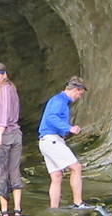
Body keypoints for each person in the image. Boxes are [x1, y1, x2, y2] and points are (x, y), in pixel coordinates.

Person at [37, 76, 88, 208]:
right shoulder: (59, 101)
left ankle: (54, 208)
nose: (79, 97)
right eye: (80, 94)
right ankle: (78, 202)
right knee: (76, 168)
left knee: (57, 176)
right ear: (76, 90)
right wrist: (69, 128)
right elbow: (51, 118)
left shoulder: (59, 101)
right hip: (52, 140)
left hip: (45, 141)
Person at [0, 62, 23, 216]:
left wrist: (0, 134)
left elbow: (4, 114)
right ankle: (17, 210)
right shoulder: (12, 90)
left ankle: (4, 211)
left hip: (4, 135)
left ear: (4, 75)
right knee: (14, 171)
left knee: (1, 172)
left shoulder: (4, 90)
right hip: (16, 134)